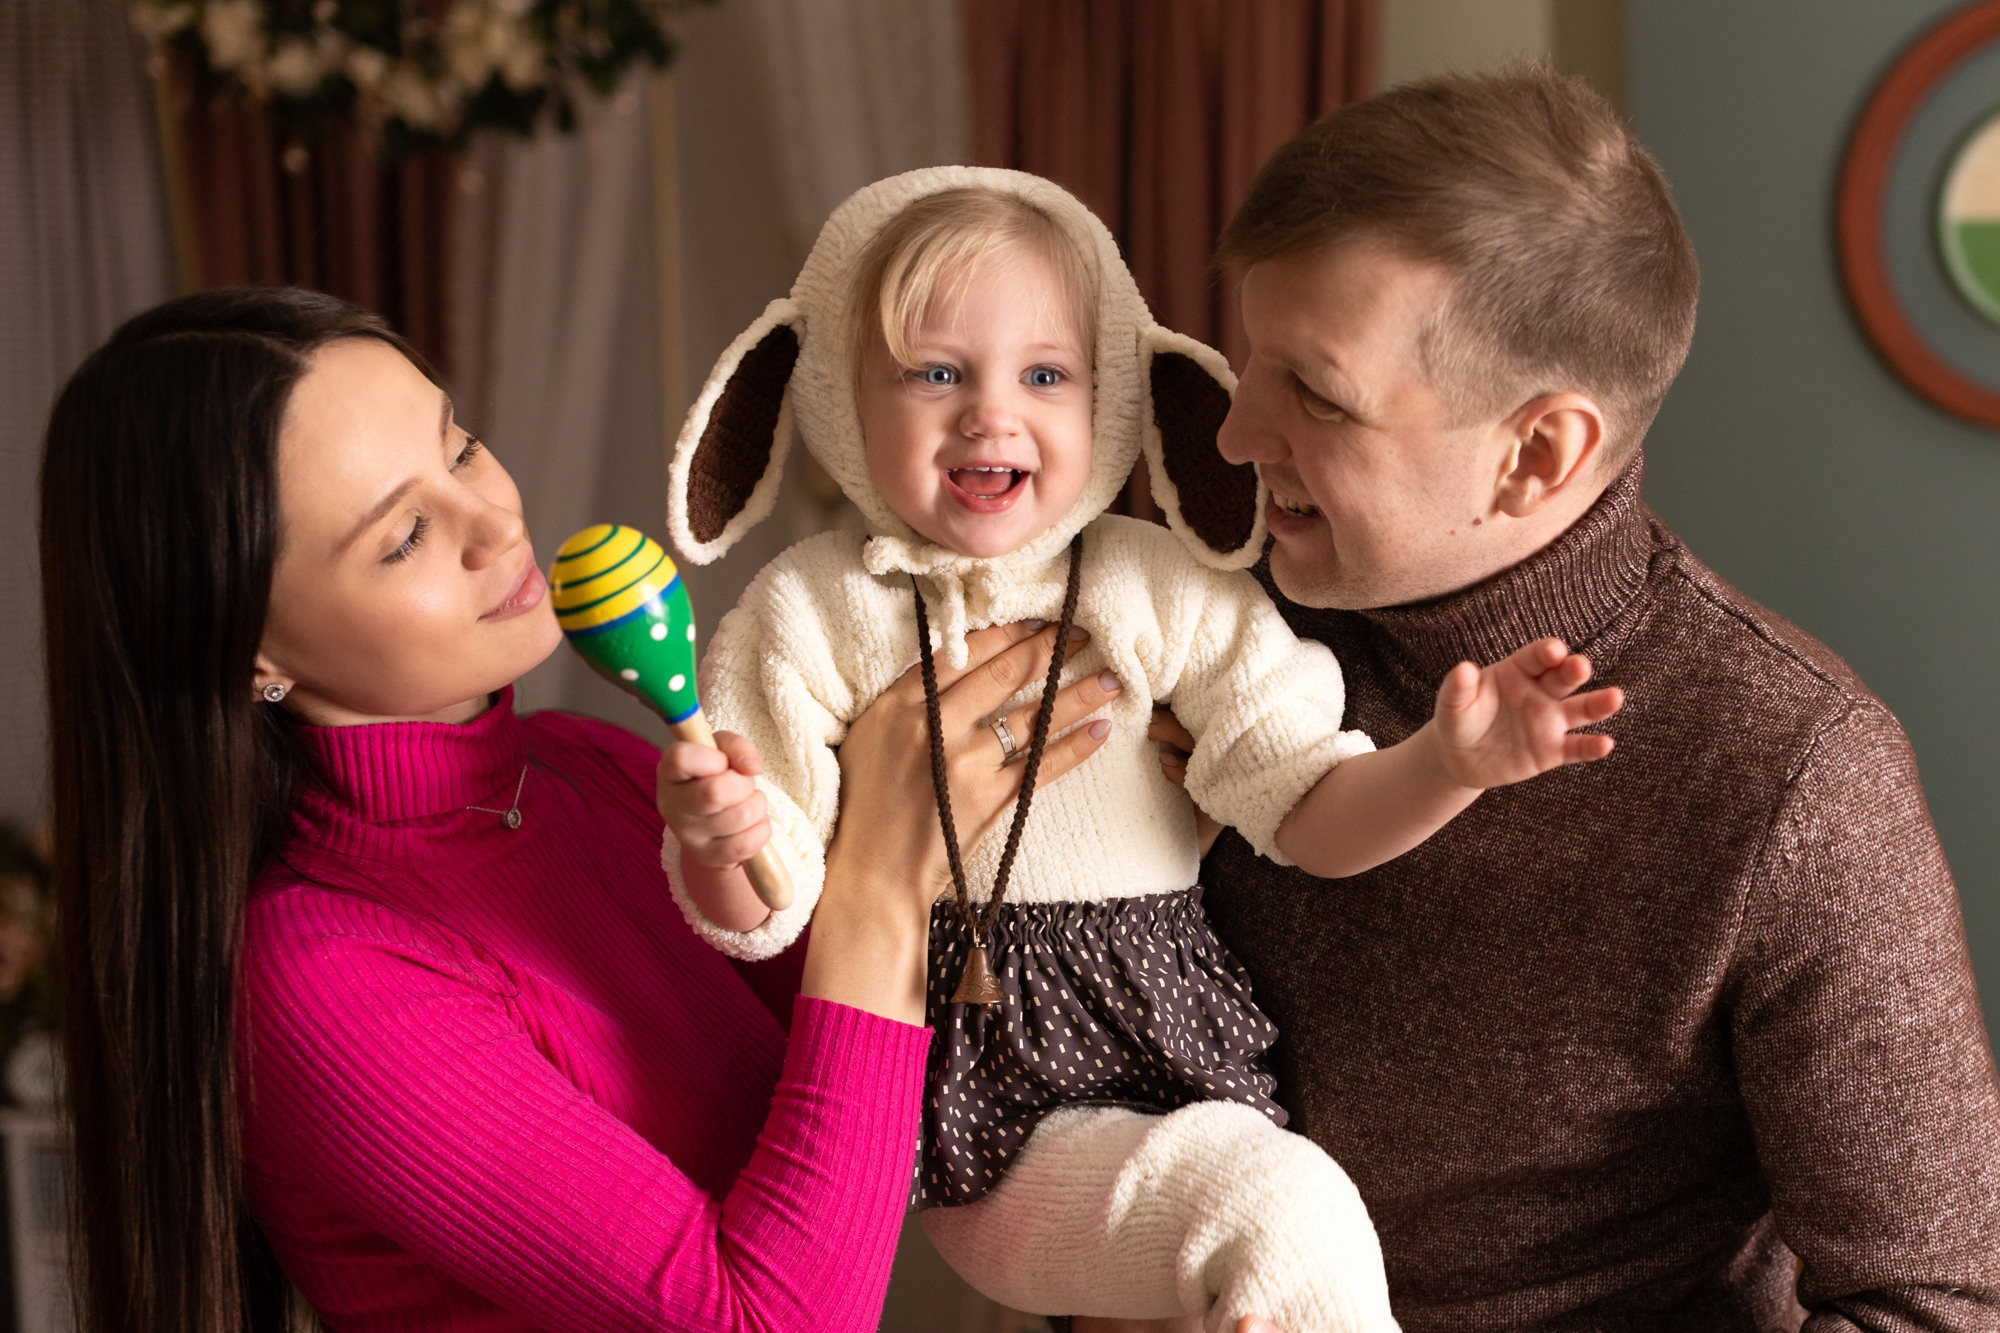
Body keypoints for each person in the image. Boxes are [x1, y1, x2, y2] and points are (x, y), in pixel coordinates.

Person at [37, 286, 1126, 1333]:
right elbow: (770, 1321)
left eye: (459, 446)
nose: (493, 522)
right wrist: (883, 876)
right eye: (403, 535)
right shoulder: (315, 976)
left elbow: (914, 1075)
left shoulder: (583, 765)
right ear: (252, 652)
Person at [651, 167, 1622, 1331]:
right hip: (980, 1114)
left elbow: (1305, 806)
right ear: (834, 394)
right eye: (935, 373)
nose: (989, 415)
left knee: (1271, 1239)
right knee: (1286, 1212)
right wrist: (720, 838)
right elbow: (767, 905)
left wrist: (1444, 767)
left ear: (1117, 393)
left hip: (1184, 1067)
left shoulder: (1159, 586)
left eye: (1044, 374)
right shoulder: (813, 611)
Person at [1128, 64, 2000, 1329]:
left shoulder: (1791, 772)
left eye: (1314, 393)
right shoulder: (1187, 631)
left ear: (1537, 453)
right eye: (1248, 358)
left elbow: (1932, 1306)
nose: (1230, 435)